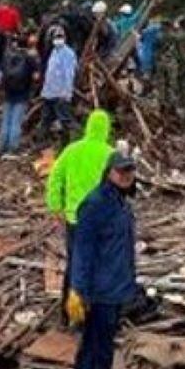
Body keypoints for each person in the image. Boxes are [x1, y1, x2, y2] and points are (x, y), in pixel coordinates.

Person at [65, 148, 140, 369]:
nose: (126, 176)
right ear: (109, 172)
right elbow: (82, 251)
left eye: (130, 171)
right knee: (97, 351)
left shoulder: (121, 202)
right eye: (121, 171)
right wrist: (78, 290)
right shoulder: (95, 205)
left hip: (115, 286)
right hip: (100, 291)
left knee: (95, 348)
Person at [46, 110, 113, 306]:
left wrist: (55, 206)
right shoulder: (110, 155)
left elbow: (55, 178)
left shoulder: (71, 150)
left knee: (75, 264)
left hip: (74, 218)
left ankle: (69, 312)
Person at [0, 35, 38, 155]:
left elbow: (0, 76)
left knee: (6, 119)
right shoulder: (30, 58)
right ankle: (13, 147)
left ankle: (2, 145)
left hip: (7, 92)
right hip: (22, 93)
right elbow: (36, 77)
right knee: (16, 120)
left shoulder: (7, 57)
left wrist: (0, 90)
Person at [41, 29, 77, 139]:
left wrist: (66, 93)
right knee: (46, 119)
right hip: (49, 93)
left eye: (60, 37)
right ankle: (43, 141)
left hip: (60, 93)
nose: (58, 39)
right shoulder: (54, 52)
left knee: (64, 120)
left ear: (65, 38)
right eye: (56, 37)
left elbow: (69, 74)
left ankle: (66, 143)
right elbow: (49, 72)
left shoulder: (68, 54)